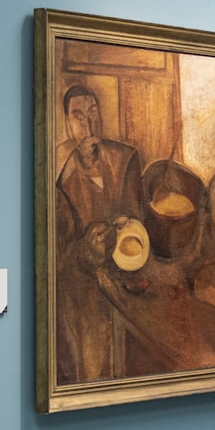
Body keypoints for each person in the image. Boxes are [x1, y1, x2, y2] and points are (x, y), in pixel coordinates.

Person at [54, 84, 144, 383]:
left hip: (127, 275)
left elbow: (138, 222)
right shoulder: (58, 175)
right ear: (67, 122)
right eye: (78, 116)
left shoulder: (124, 160)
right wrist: (84, 252)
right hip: (83, 292)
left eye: (92, 114)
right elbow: (56, 255)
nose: (88, 123)